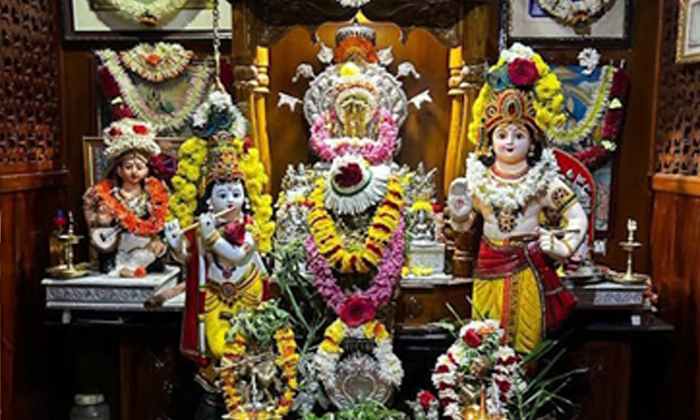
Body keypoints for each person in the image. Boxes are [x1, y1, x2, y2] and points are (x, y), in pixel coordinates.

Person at [447, 44, 588, 353]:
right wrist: (459, 214)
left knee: (525, 347)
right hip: (488, 265)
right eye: (501, 135)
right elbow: (463, 226)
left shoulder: (543, 182)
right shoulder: (477, 180)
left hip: (527, 266)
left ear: (533, 139)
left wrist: (563, 247)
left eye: (519, 135)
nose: (509, 142)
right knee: (483, 347)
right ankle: (487, 401)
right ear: (488, 139)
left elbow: (577, 216)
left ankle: (523, 400)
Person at [83, 119, 168, 277]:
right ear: (119, 171)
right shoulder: (108, 194)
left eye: (139, 167)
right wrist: (97, 215)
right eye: (128, 167)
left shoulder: (153, 194)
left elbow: (159, 225)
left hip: (144, 246)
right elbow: (95, 225)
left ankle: (129, 267)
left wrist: (158, 241)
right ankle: (123, 267)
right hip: (117, 246)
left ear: (147, 171)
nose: (134, 172)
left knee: (149, 253)